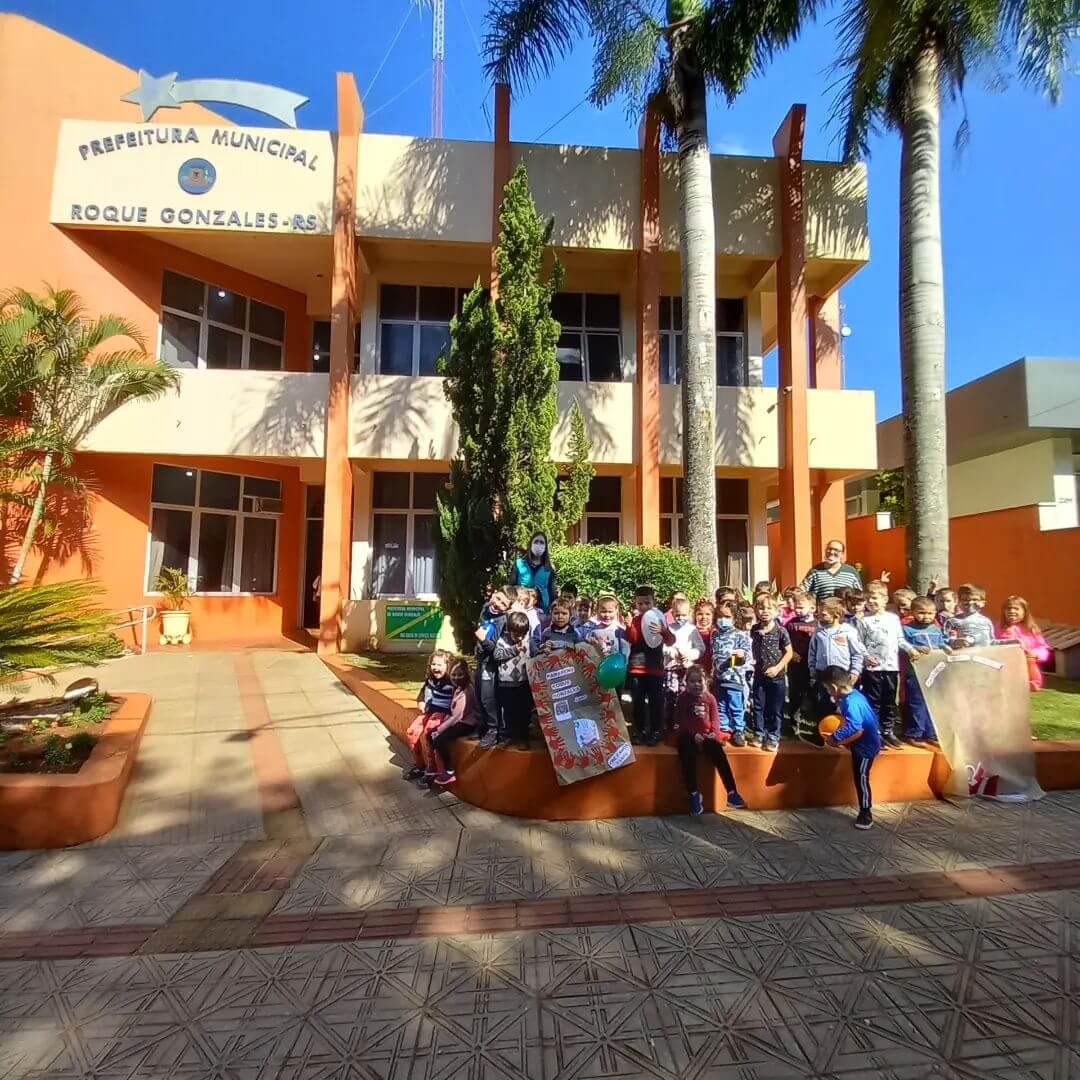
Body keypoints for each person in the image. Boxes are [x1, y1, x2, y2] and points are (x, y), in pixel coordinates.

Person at [672, 666, 746, 815]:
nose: (696, 684)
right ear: (686, 683)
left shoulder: (710, 698)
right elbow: (681, 721)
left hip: (706, 736)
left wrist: (714, 734)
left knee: (718, 753)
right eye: (692, 681)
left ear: (705, 682)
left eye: (699, 681)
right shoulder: (683, 698)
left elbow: (715, 720)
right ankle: (694, 793)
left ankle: (732, 792)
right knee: (686, 754)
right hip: (689, 736)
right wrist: (693, 735)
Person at [821, 665, 881, 830]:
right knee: (860, 776)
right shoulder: (855, 696)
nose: (827, 691)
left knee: (861, 778)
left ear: (834, 687)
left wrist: (835, 738)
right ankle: (865, 809)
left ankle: (866, 812)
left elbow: (855, 726)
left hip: (865, 748)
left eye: (827, 688)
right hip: (864, 743)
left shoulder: (851, 702)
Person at [806, 598, 866, 744]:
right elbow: (812, 651)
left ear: (836, 615)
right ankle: (822, 733)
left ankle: (846, 736)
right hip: (823, 674)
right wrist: (812, 667)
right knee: (823, 704)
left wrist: (855, 671)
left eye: (823, 614)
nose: (819, 617)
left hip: (843, 676)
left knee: (845, 707)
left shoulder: (848, 631)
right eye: (819, 614)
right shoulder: (818, 631)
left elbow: (857, 653)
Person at [857, 581, 905, 749]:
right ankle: (874, 731)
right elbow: (859, 643)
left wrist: (913, 650)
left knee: (890, 700)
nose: (871, 601)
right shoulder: (864, 621)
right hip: (872, 669)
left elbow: (900, 640)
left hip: (891, 667)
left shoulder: (893, 619)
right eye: (868, 598)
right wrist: (866, 656)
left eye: (875, 598)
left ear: (885, 599)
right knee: (873, 700)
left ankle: (888, 731)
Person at [626, 586, 675, 746]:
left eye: (647, 603)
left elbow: (671, 641)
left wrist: (663, 631)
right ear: (635, 603)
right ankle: (639, 731)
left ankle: (655, 732)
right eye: (640, 604)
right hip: (637, 668)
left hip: (655, 668)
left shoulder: (658, 618)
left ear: (653, 602)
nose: (643, 607)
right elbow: (632, 640)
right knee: (638, 702)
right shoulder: (634, 620)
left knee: (656, 702)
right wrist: (629, 626)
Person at [901, 597, 950, 745]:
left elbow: (941, 642)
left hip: (935, 672)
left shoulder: (935, 629)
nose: (926, 617)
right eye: (921, 613)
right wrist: (914, 648)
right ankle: (914, 734)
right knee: (917, 703)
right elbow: (902, 645)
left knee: (933, 703)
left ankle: (932, 734)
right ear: (912, 612)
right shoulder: (907, 629)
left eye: (930, 613)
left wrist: (945, 647)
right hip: (916, 673)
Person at [750, 594, 793, 752]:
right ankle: (759, 733)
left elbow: (789, 652)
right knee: (759, 705)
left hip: (777, 676)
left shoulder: (781, 631)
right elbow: (750, 649)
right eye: (761, 608)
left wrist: (777, 668)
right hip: (759, 675)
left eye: (769, 608)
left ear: (776, 611)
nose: (765, 611)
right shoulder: (754, 630)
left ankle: (773, 735)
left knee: (775, 708)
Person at [404, 649, 454, 780]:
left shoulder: (452, 682)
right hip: (428, 711)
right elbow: (421, 694)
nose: (436, 668)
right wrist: (420, 701)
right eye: (433, 664)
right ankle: (420, 765)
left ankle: (433, 767)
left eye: (440, 665)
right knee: (411, 733)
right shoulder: (430, 680)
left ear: (448, 666)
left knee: (428, 733)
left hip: (443, 713)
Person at [429, 659, 480, 786]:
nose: (457, 678)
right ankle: (435, 767)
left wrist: (439, 729)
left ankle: (449, 770)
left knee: (439, 740)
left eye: (460, 674)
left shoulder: (467, 691)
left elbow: (457, 716)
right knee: (430, 736)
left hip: (467, 724)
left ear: (466, 674)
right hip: (459, 721)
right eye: (454, 675)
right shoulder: (458, 689)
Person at [711, 600, 753, 746]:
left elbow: (747, 655)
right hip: (719, 678)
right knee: (721, 706)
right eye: (720, 616)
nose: (723, 620)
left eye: (727, 617)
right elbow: (714, 655)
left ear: (735, 618)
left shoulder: (740, 635)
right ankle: (724, 729)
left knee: (736, 706)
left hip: (734, 678)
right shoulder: (715, 635)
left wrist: (740, 654)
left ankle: (738, 730)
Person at [492, 611, 534, 749]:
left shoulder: (529, 641)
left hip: (524, 683)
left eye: (523, 633)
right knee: (508, 712)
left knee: (524, 711)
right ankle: (508, 736)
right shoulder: (502, 641)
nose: (520, 637)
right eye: (516, 634)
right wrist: (514, 650)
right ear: (509, 630)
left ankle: (523, 737)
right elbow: (497, 655)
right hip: (506, 684)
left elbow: (535, 653)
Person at [475, 589, 509, 750]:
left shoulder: (503, 621)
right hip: (480, 660)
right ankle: (483, 726)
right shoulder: (486, 608)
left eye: (503, 603)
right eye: (497, 598)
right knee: (478, 693)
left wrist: (482, 640)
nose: (497, 604)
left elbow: (496, 650)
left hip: (490, 663)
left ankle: (494, 730)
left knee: (488, 697)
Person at [997, 595, 1051, 691]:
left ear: (1024, 612)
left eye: (1016, 609)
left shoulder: (1031, 629)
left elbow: (1042, 648)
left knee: (1030, 660)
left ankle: (1034, 683)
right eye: (1009, 608)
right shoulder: (999, 628)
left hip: (1026, 663)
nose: (1012, 611)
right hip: (1006, 664)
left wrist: (1035, 654)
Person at [663, 595, 705, 721]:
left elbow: (701, 648)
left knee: (685, 694)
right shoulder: (669, 628)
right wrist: (672, 653)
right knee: (670, 694)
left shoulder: (692, 629)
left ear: (689, 613)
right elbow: (663, 647)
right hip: (671, 668)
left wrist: (690, 654)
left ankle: (686, 720)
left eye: (684, 615)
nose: (680, 618)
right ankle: (670, 721)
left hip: (686, 668)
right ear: (673, 613)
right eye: (677, 615)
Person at [784, 589, 816, 737]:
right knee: (795, 694)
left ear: (812, 608)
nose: (797, 610)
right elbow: (785, 642)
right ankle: (793, 723)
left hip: (812, 666)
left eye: (801, 607)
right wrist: (791, 654)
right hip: (795, 665)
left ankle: (815, 725)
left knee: (813, 695)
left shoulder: (818, 625)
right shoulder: (791, 624)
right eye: (796, 607)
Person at [799, 540, 864, 602]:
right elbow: (801, 591)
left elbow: (859, 594)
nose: (831, 552)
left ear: (842, 554)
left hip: (846, 613)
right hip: (822, 612)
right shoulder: (815, 571)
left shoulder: (851, 572)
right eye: (829, 549)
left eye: (836, 550)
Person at [510, 531, 557, 612]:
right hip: (521, 607)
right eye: (536, 542)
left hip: (542, 611)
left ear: (546, 547)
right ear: (530, 544)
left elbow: (552, 593)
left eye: (542, 542)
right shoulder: (519, 563)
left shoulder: (549, 568)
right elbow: (511, 586)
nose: (538, 545)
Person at [944, 583, 995, 648]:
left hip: (985, 657)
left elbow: (992, 642)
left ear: (983, 603)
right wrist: (954, 642)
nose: (970, 603)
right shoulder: (952, 621)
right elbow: (942, 641)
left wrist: (1010, 642)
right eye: (965, 600)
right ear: (959, 602)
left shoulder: (987, 621)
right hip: (964, 657)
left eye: (975, 599)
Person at [584, 593, 630, 658]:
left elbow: (625, 650)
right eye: (603, 612)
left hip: (615, 665)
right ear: (597, 611)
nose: (607, 615)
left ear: (616, 611)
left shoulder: (619, 631)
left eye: (610, 612)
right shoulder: (594, 631)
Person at [692, 598, 716, 675]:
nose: (704, 617)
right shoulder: (691, 631)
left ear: (713, 616)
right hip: (694, 671)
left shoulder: (716, 632)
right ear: (695, 615)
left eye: (707, 614)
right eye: (700, 614)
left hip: (712, 671)